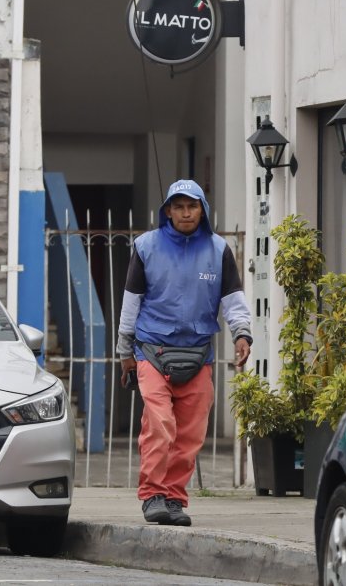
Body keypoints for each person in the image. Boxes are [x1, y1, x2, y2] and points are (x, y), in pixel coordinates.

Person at [115, 179, 252, 526]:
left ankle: (174, 498)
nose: (185, 212)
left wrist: (242, 334)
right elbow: (131, 303)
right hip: (151, 350)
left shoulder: (219, 249)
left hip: (198, 355)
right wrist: (124, 351)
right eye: (178, 206)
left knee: (191, 434)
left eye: (192, 206)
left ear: (202, 209)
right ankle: (152, 496)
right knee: (159, 424)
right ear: (168, 211)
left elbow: (233, 299)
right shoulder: (146, 246)